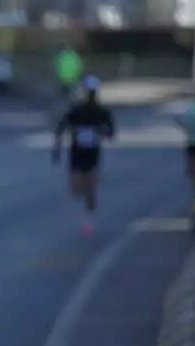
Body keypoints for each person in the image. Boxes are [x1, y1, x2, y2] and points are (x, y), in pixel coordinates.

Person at [53, 75, 115, 236]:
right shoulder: (76, 110)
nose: (91, 96)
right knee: (77, 188)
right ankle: (86, 211)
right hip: (77, 153)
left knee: (90, 188)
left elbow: (111, 132)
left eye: (93, 93)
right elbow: (61, 128)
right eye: (89, 93)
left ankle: (89, 219)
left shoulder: (102, 112)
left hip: (92, 154)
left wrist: (101, 132)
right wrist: (56, 150)